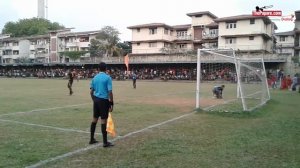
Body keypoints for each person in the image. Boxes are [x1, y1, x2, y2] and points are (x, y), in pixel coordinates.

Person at [89, 62, 114, 147]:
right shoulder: (108, 78)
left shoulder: (95, 78)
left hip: (96, 100)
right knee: (103, 120)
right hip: (104, 101)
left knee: (94, 119)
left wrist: (94, 100)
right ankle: (105, 142)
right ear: (106, 68)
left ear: (98, 69)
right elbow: (110, 92)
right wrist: (111, 103)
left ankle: (91, 139)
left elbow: (91, 91)